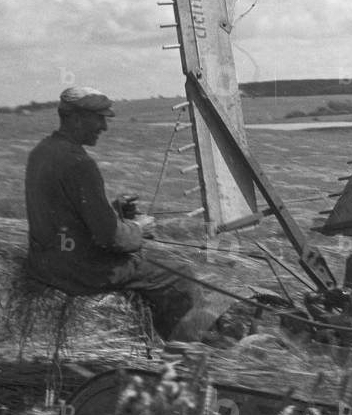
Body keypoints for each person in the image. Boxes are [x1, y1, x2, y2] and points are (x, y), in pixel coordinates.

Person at [24, 86, 220, 344]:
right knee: (180, 275)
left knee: (159, 270)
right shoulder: (80, 164)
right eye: (99, 118)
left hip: (45, 264)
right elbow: (110, 238)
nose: (104, 127)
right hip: (79, 271)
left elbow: (64, 216)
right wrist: (138, 228)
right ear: (76, 118)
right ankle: (192, 351)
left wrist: (114, 211)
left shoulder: (42, 151)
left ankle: (173, 343)